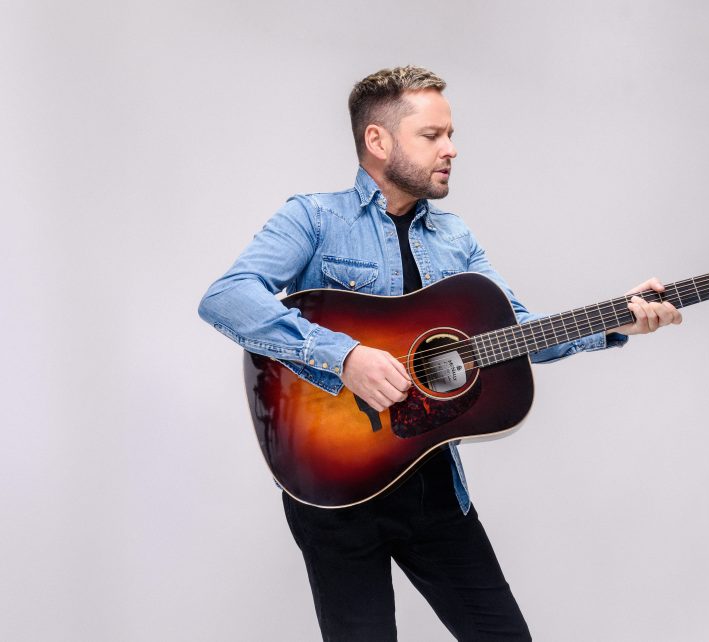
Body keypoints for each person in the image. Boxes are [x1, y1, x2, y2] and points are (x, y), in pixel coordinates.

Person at [198, 65, 682, 641]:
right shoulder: (314, 218)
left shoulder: (456, 239)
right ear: (378, 140)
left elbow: (518, 330)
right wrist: (346, 357)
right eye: (432, 136)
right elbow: (228, 297)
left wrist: (616, 320)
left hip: (432, 487)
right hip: (332, 485)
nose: (451, 149)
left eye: (450, 134)